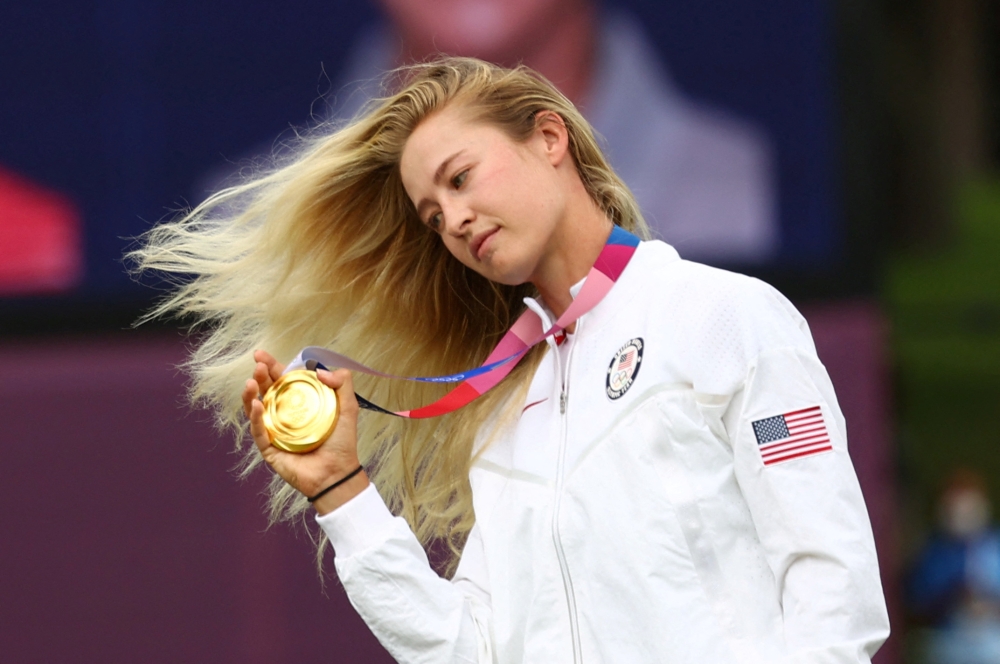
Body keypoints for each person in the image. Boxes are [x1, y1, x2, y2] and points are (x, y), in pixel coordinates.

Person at [133, 57, 887, 662]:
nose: (454, 220)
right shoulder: (501, 410)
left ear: (549, 138)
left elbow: (831, 583)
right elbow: (466, 650)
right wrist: (342, 492)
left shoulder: (724, 315)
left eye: (461, 178)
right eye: (433, 215)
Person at [908, 469, 1000, 663]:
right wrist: (955, 594)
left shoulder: (994, 545)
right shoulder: (934, 552)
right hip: (948, 641)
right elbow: (919, 599)